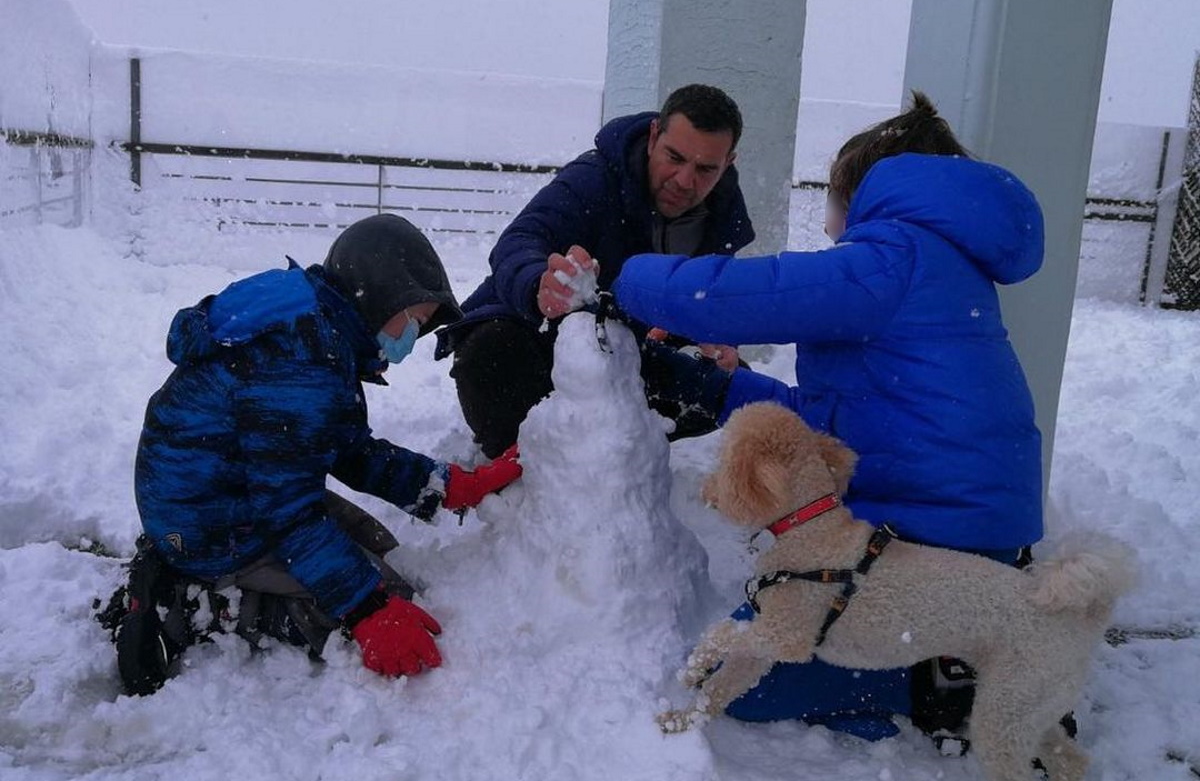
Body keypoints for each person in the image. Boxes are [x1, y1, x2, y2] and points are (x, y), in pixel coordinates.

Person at [610, 92, 1045, 743]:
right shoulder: (938, 263)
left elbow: (736, 299)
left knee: (742, 672)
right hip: (961, 533)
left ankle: (944, 671)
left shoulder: (893, 254)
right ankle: (944, 647)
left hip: (938, 547)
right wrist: (721, 387)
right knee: (761, 637)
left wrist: (621, 272)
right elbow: (833, 424)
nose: (831, 228)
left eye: (837, 206)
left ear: (866, 194)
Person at [103, 213, 523, 696]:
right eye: (415, 320)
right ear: (384, 293)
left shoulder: (319, 332)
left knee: (375, 546)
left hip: (225, 493)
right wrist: (365, 611)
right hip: (211, 520)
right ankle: (191, 603)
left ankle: (192, 562)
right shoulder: (304, 361)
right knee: (370, 602)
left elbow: (348, 451)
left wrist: (448, 486)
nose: (411, 339)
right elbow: (289, 511)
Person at [434, 84, 756, 458]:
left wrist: (710, 342)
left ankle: (620, 457)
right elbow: (518, 240)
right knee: (490, 352)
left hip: (627, 359)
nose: (684, 180)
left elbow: (703, 312)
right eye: (674, 157)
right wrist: (539, 283)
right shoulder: (594, 178)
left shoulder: (722, 223)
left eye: (704, 169)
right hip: (538, 342)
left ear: (728, 164)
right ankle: (527, 470)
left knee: (727, 382)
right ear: (653, 136)